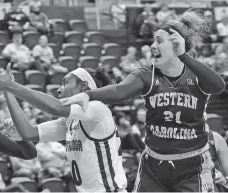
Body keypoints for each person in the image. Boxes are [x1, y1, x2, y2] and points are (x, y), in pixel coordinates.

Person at [59, 10, 226, 192]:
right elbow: (119, 90)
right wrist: (89, 95)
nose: (152, 45)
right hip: (153, 165)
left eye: (159, 41)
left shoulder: (196, 74)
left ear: (177, 44)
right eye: (153, 40)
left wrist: (183, 56)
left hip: (192, 165)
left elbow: (219, 86)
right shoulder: (146, 75)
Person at [0, 64, 128, 192]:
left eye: (65, 83)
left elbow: (55, 108)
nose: (59, 89)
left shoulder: (97, 109)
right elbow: (29, 133)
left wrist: (11, 85)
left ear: (83, 86)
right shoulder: (70, 121)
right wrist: (8, 90)